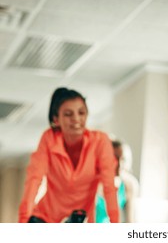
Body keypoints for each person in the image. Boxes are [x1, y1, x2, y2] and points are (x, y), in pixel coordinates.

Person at [18, 87, 119, 223]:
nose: (76, 119)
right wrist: (23, 222)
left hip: (79, 220)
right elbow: (34, 179)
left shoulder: (100, 142)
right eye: (68, 114)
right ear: (56, 119)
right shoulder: (49, 139)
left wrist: (116, 224)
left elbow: (109, 187)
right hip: (46, 218)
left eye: (81, 112)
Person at [95, 139, 139, 223]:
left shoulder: (129, 185)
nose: (119, 164)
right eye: (114, 158)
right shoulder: (93, 182)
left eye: (123, 159)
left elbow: (130, 221)